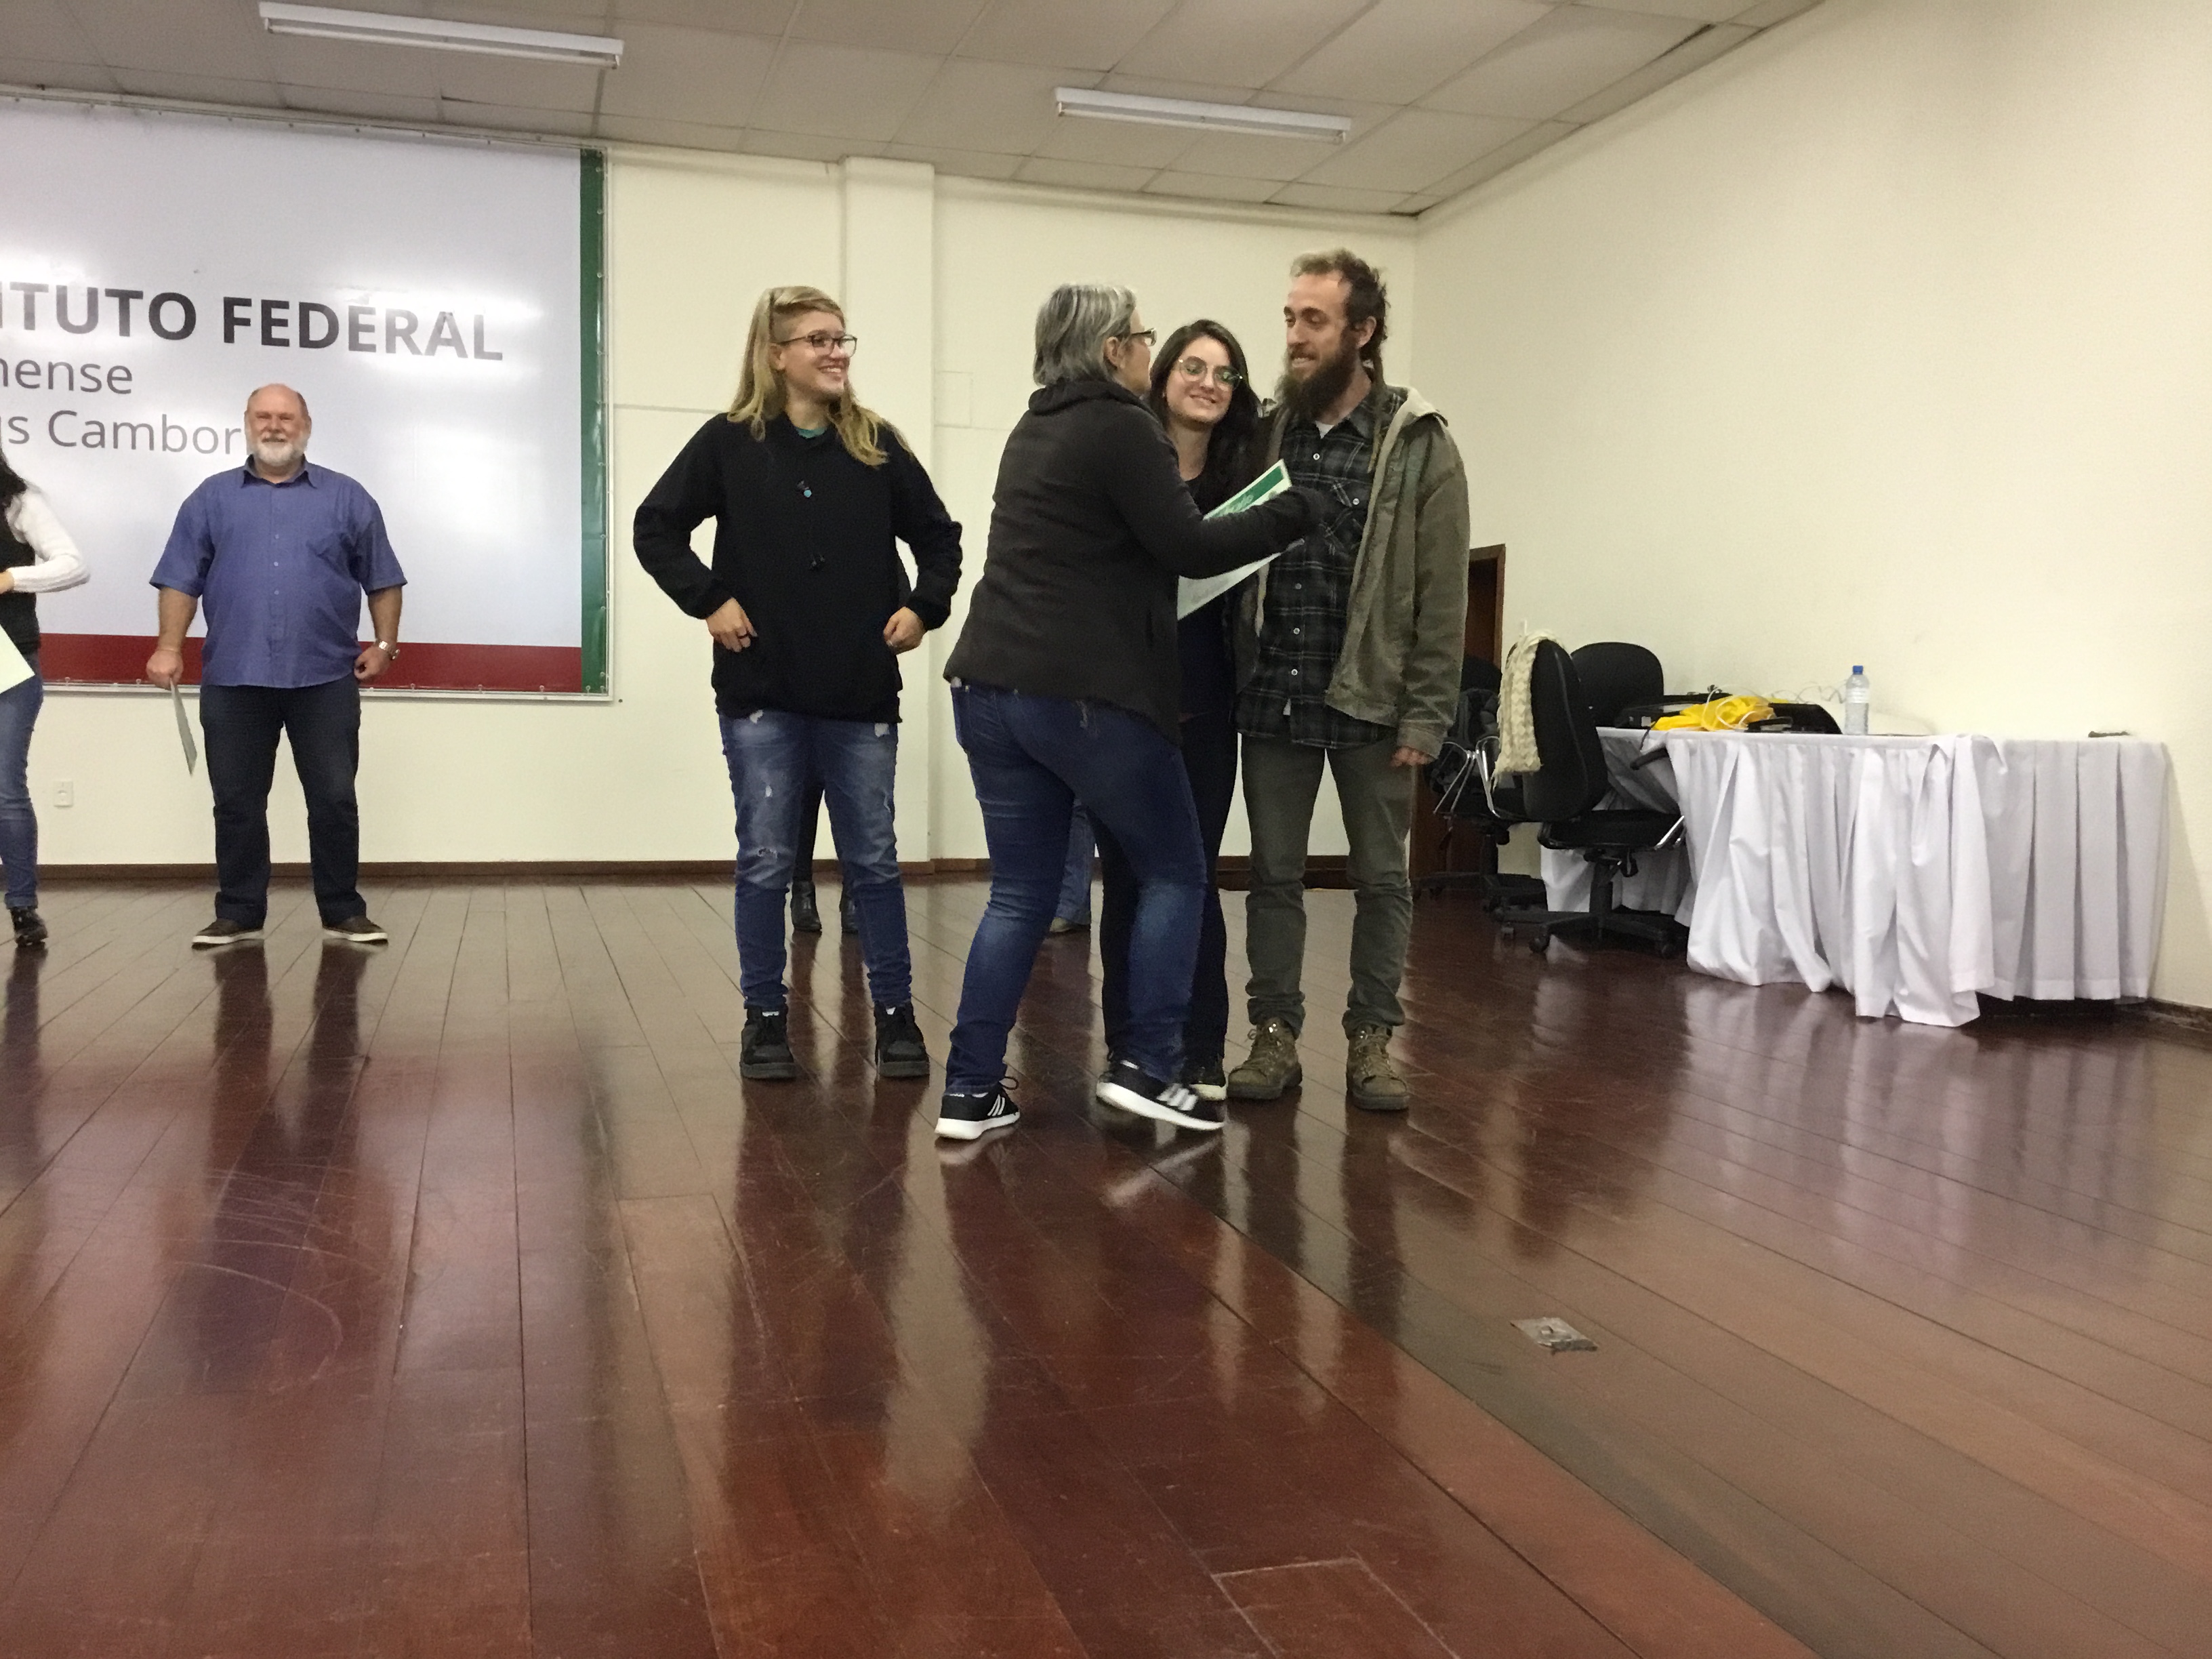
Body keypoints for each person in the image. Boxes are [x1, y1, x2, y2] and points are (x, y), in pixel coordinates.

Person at [935, 283, 1314, 1143]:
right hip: (1084, 699)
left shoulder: (1033, 427)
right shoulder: (1121, 425)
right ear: (1113, 350)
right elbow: (1189, 546)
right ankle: (1149, 1066)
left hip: (988, 690)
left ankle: (970, 1089)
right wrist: (1293, 515)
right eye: (1143, 337)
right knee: (1177, 871)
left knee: (1019, 896)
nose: (1149, 347)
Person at [634, 284, 960, 1083]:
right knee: (767, 860)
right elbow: (655, 527)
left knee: (874, 862)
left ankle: (896, 1017)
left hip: (859, 695)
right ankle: (765, 1018)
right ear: (775, 354)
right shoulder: (729, 443)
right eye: (818, 339)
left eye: (842, 338)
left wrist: (925, 607)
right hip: (763, 695)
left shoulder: (876, 445)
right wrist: (709, 600)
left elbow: (940, 538)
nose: (836, 352)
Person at [1226, 249, 1470, 1112]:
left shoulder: (1420, 444)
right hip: (1274, 696)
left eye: (1314, 321)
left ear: (1362, 332)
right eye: (1290, 318)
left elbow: (1443, 592)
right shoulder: (1268, 433)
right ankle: (1274, 1036)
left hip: (1374, 700)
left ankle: (1371, 1041)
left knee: (1381, 880)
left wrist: (1427, 716)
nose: (1295, 337)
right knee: (1273, 876)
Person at [147, 385, 404, 949]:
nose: (275, 426)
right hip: (234, 675)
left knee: (334, 799)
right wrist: (169, 646)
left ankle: (343, 911)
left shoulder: (347, 497)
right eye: (263, 416)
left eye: (286, 417)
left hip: (325, 676)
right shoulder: (210, 498)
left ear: (305, 425)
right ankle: (239, 913)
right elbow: (179, 579)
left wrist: (385, 646)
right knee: (237, 803)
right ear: (247, 423)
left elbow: (383, 578)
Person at [1094, 319, 1261, 1101]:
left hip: (1208, 707)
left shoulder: (1247, 482)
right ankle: (1128, 1046)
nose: (1207, 384)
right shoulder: (1126, 464)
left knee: (1192, 877)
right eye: (1194, 367)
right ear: (1163, 377)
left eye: (1224, 374)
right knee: (1128, 880)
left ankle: (1199, 1048)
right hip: (1124, 707)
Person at [0, 441, 89, 949]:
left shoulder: (18, 501)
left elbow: (74, 565)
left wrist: (11, 578)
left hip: (9, 660)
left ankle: (22, 906)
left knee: (5, 785)